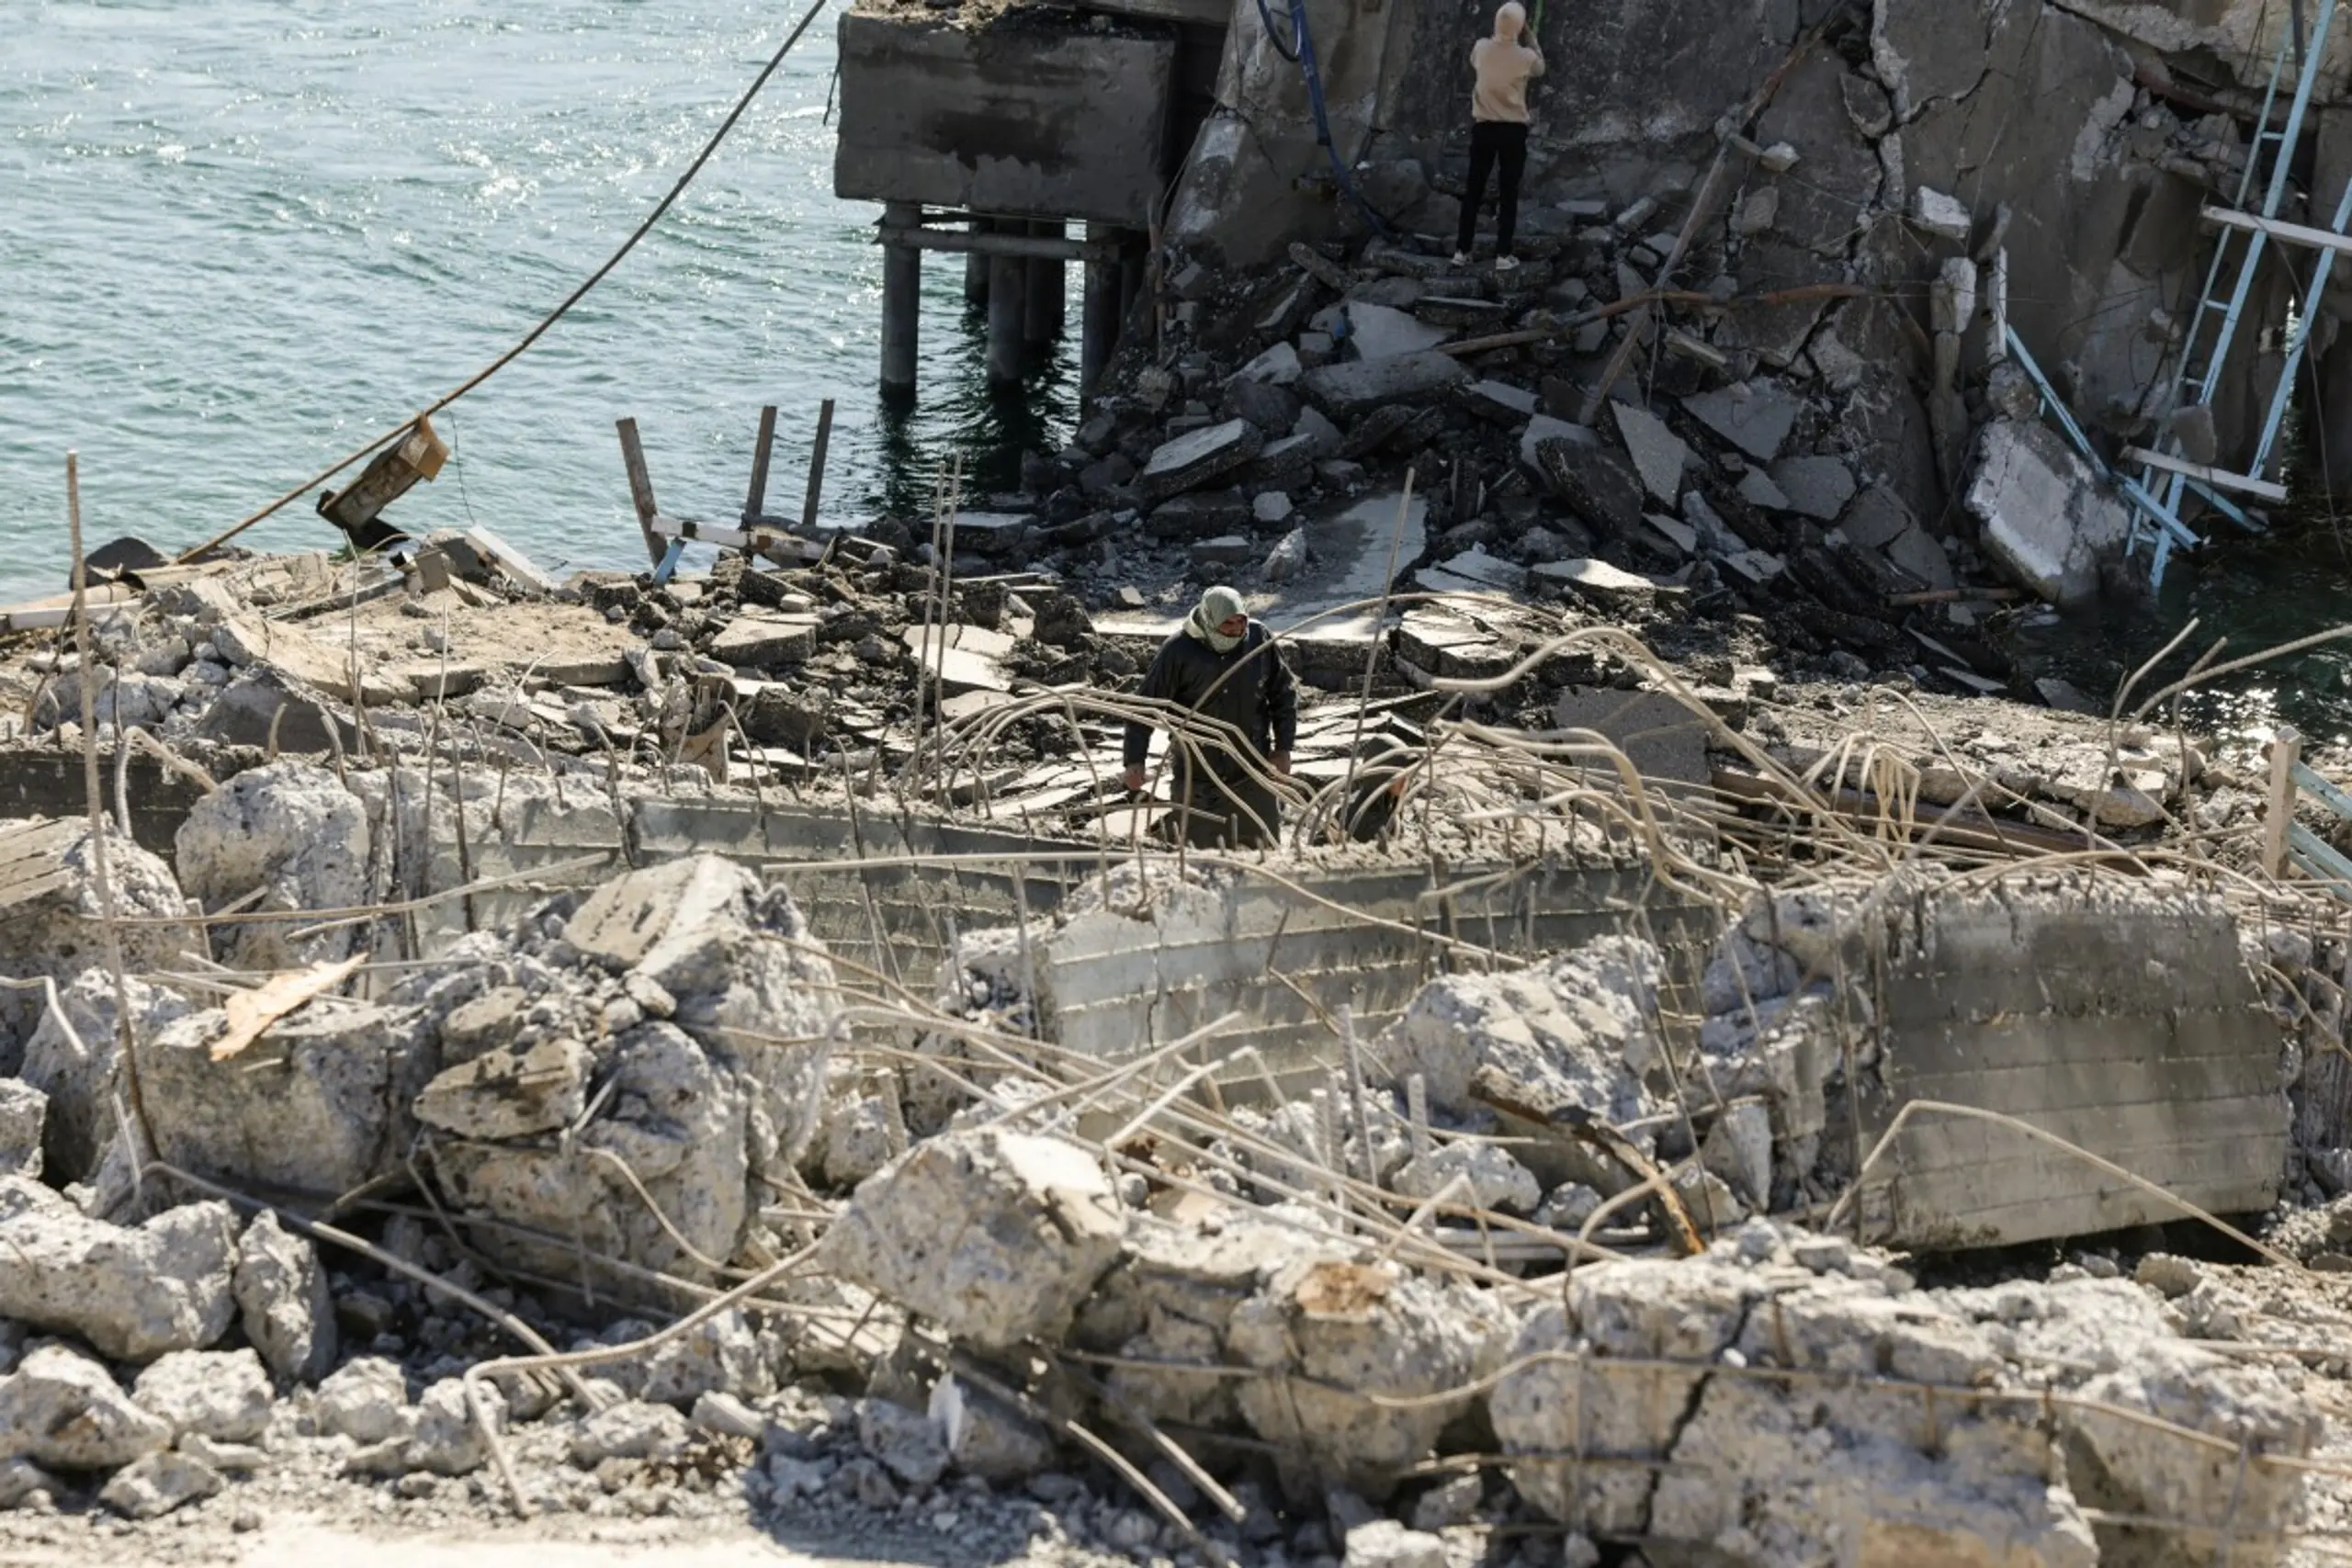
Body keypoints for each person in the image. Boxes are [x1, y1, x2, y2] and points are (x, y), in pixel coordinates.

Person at [1122, 586, 1298, 849]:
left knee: (1264, 852)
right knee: (1198, 859)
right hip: (1199, 781)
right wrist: (1135, 761)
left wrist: (1284, 748)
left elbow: (1283, 694)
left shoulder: (1259, 641)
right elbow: (1145, 706)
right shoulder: (1179, 650)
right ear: (1208, 620)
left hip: (1253, 773)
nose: (1236, 630)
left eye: (1241, 622)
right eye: (1227, 624)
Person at [1453, 1, 1544, 273]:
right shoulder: (1526, 57)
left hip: (1483, 128)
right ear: (1520, 26)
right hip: (1512, 130)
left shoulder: (1481, 48)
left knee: (1473, 190)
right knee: (1508, 192)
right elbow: (1540, 68)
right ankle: (1503, 253)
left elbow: (1476, 62)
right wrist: (1532, 40)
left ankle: (1462, 250)